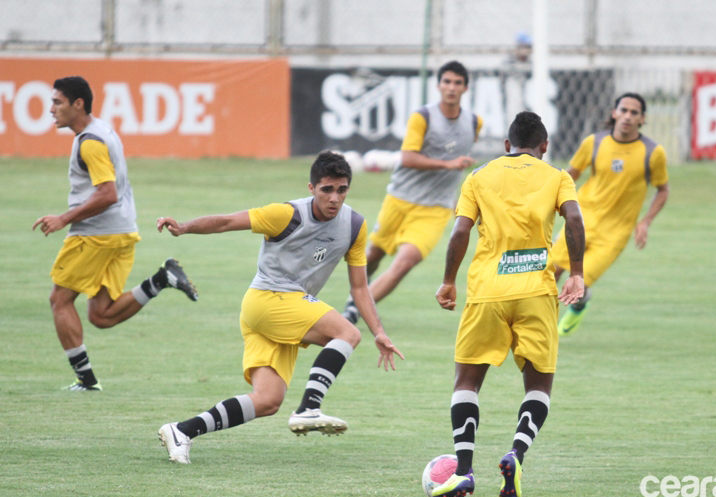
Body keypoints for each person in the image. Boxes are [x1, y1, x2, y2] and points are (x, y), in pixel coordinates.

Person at [156, 151, 404, 465]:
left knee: (267, 401)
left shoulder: (354, 225)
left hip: (276, 311)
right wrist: (185, 227)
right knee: (347, 333)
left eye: (341, 189)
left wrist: (379, 332)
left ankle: (181, 431)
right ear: (312, 187)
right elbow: (228, 221)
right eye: (327, 189)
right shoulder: (287, 215)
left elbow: (359, 287)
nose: (334, 198)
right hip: (268, 299)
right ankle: (310, 407)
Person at [432, 112, 585, 497]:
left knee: (466, 381)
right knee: (538, 386)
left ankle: (464, 469)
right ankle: (515, 452)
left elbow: (461, 231)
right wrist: (578, 274)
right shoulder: (557, 176)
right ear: (544, 145)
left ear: (506, 145)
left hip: (487, 291)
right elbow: (574, 219)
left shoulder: (479, 177)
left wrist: (449, 280)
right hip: (536, 290)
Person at [33, 76, 198, 392]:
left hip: (95, 235)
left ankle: (86, 380)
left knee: (59, 300)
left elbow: (107, 193)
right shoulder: (101, 130)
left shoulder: (90, 142)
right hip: (122, 230)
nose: (51, 109)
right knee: (102, 315)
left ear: (77, 104)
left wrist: (64, 218)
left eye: (57, 102)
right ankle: (161, 279)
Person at [341, 60, 482, 324]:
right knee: (373, 255)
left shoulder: (474, 123)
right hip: (400, 199)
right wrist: (447, 164)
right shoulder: (424, 117)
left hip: (435, 210)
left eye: (458, 83)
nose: (451, 88)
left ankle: (353, 313)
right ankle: (357, 294)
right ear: (439, 85)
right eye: (447, 82)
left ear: (465, 88)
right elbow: (407, 158)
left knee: (404, 264)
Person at [552, 92, 669, 336]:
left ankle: (579, 306)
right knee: (551, 273)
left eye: (633, 112)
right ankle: (539, 328)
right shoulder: (594, 143)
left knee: (577, 285)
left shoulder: (652, 153)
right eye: (623, 110)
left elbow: (662, 190)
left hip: (615, 233)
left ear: (642, 119)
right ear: (614, 113)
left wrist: (645, 222)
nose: (627, 116)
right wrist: (550, 203)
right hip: (581, 220)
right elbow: (569, 176)